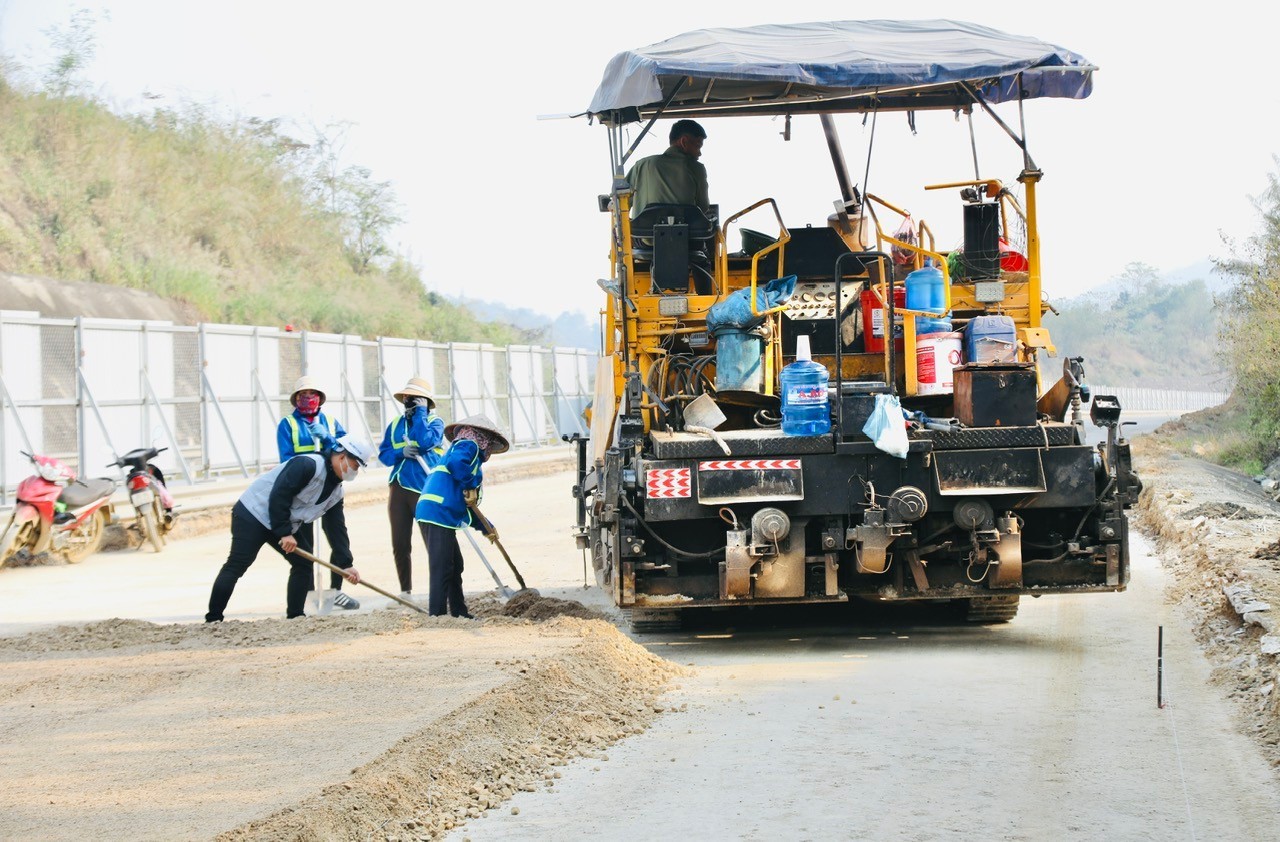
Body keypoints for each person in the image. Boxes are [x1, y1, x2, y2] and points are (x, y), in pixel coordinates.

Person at [205, 434, 375, 622]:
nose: (354, 471)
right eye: (355, 466)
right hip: (253, 513)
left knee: (303, 563)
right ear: (342, 457)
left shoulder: (336, 492)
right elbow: (280, 495)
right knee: (238, 563)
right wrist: (284, 533)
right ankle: (213, 619)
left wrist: (346, 564)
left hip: (282, 520)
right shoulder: (308, 465)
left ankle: (295, 617)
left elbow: (336, 528)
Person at [414, 414, 510, 618]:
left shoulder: (468, 458)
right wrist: (470, 483)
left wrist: (487, 528)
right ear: (484, 438)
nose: (489, 449)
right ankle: (437, 616)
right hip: (437, 512)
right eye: (490, 444)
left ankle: (458, 612)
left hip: (440, 513)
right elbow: (457, 464)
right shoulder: (469, 445)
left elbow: (468, 507)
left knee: (455, 565)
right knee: (442, 567)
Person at [275, 375, 359, 609]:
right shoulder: (288, 425)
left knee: (338, 538)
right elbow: (286, 460)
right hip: (302, 492)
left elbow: (346, 451)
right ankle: (309, 593)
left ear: (320, 398)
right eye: (303, 394)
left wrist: (328, 439)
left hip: (330, 489)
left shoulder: (330, 423)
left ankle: (336, 591)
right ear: (296, 399)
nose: (308, 398)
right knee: (306, 545)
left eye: (312, 394)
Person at [377, 376, 446, 599]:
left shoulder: (435, 422)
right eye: (407, 396)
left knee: (431, 542)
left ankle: (441, 591)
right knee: (400, 543)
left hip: (424, 488)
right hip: (398, 488)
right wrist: (400, 453)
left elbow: (425, 441)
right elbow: (384, 455)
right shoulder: (395, 425)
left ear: (425, 401)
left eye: (415, 397)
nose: (410, 400)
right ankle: (405, 592)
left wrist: (420, 414)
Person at [625, 119, 710, 218]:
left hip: (642, 228)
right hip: (686, 228)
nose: (699, 153)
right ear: (684, 142)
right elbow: (703, 207)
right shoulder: (697, 168)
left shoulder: (642, 165)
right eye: (698, 146)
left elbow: (619, 201)